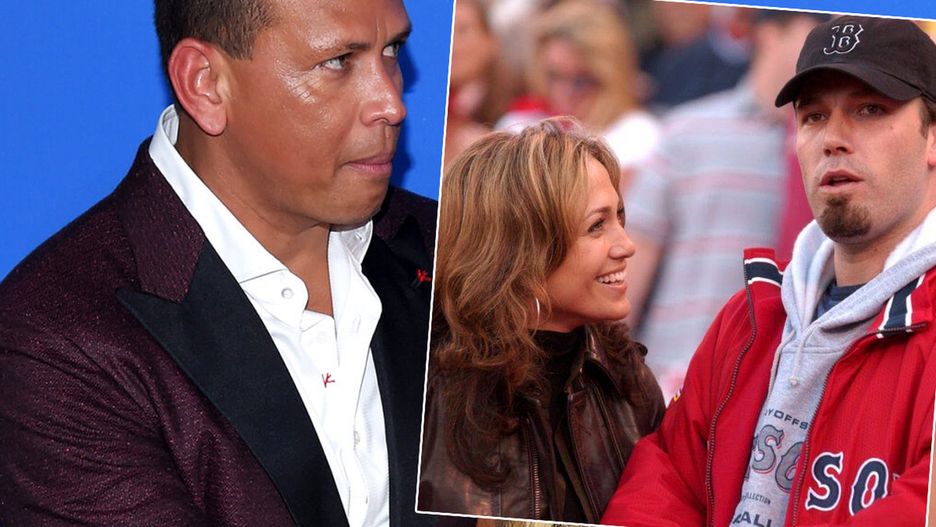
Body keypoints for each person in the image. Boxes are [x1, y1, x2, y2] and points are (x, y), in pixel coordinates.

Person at [0, 1, 437, 526]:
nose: (392, 103)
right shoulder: (57, 341)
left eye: (393, 51)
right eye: (339, 61)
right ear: (205, 83)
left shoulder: (461, 249)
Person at [601, 16, 936, 527]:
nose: (833, 139)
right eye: (814, 116)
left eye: (870, 109)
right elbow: (664, 482)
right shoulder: (749, 317)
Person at [418, 119, 665, 523]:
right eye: (597, 226)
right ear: (521, 249)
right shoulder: (423, 385)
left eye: (619, 218)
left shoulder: (626, 379)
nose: (626, 245)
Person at [624, 10, 826, 400]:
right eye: (816, 30)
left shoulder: (839, 152)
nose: (829, 45)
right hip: (672, 384)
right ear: (769, 35)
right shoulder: (686, 132)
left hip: (787, 396)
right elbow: (627, 267)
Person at [495, 0, 660, 190]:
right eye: (554, 76)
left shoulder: (638, 133)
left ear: (610, 78)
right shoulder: (517, 124)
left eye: (580, 80)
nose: (564, 91)